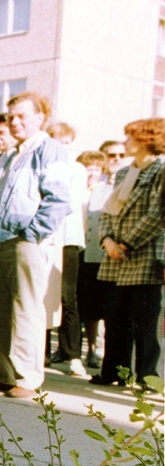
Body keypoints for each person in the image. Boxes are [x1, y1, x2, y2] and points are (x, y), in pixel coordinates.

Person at [0, 91, 70, 398]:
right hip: (1, 240)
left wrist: (32, 233)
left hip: (25, 240)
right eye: (11, 116)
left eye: (22, 116)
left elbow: (58, 198)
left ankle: (27, 377)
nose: (15, 122)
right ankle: (1, 373)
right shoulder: (11, 155)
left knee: (26, 308)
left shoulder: (48, 149)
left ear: (40, 118)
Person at [91, 118, 165, 388]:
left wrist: (126, 243)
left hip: (144, 254)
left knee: (145, 322)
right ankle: (114, 372)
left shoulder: (161, 170)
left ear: (148, 140)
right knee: (116, 318)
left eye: (131, 138)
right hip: (116, 257)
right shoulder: (123, 173)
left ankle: (148, 377)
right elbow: (107, 211)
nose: (125, 143)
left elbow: (158, 214)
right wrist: (107, 240)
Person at [46, 144, 90, 376]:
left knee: (67, 296)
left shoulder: (76, 168)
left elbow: (69, 204)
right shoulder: (46, 163)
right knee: (41, 295)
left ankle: (73, 354)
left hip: (68, 239)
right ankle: (43, 352)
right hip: (47, 237)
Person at [77, 149, 115, 368]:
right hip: (83, 255)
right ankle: (90, 349)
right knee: (89, 307)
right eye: (87, 169)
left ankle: (101, 349)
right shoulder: (78, 190)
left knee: (105, 307)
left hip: (102, 256)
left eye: (95, 169)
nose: (91, 173)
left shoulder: (107, 190)